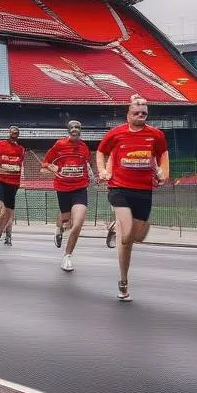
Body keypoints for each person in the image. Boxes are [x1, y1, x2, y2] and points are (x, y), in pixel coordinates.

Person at [96, 96, 169, 301]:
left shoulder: (156, 135)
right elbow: (101, 151)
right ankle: (123, 281)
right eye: (136, 113)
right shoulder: (116, 133)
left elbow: (163, 155)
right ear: (128, 114)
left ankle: (114, 227)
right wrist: (102, 171)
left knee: (136, 238)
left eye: (144, 113)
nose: (140, 116)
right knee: (126, 233)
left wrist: (163, 173)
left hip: (143, 191)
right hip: (119, 187)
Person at [41, 120, 92, 272]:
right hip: (63, 187)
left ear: (80, 130)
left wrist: (91, 176)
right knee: (65, 219)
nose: (75, 129)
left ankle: (67, 256)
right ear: (68, 130)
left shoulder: (84, 147)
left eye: (78, 127)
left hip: (80, 188)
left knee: (77, 223)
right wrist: (53, 167)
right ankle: (58, 229)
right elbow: (46, 162)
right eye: (72, 127)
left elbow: (86, 165)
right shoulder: (60, 145)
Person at [0, 125, 25, 259]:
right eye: (12, 132)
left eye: (16, 132)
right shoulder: (0, 144)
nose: (13, 134)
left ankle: (5, 236)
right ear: (8, 133)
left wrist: (19, 181)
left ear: (18, 135)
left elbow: (19, 165)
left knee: (7, 215)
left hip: (12, 184)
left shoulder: (21, 150)